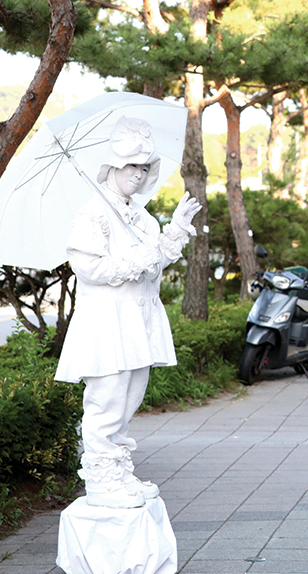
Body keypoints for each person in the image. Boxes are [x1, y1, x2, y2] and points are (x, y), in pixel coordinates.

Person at [55, 117, 201, 509]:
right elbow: (89, 267)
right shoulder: (93, 213)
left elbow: (154, 265)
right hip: (106, 322)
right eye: (131, 165)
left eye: (144, 166)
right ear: (113, 165)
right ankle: (102, 480)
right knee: (106, 400)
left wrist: (175, 231)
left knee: (129, 399)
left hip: (138, 321)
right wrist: (137, 259)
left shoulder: (142, 216)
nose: (138, 174)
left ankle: (119, 472)